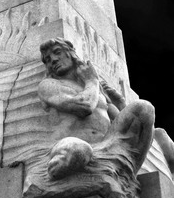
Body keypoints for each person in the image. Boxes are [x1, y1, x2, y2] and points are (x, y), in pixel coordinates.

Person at [38, 38, 154, 180]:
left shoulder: (94, 89)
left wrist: (122, 103)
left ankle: (129, 176)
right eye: (48, 59)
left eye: (57, 53)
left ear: (71, 54)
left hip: (106, 145)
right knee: (78, 150)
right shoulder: (48, 85)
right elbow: (84, 107)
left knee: (144, 108)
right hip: (73, 145)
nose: (53, 60)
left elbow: (122, 122)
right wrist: (92, 80)